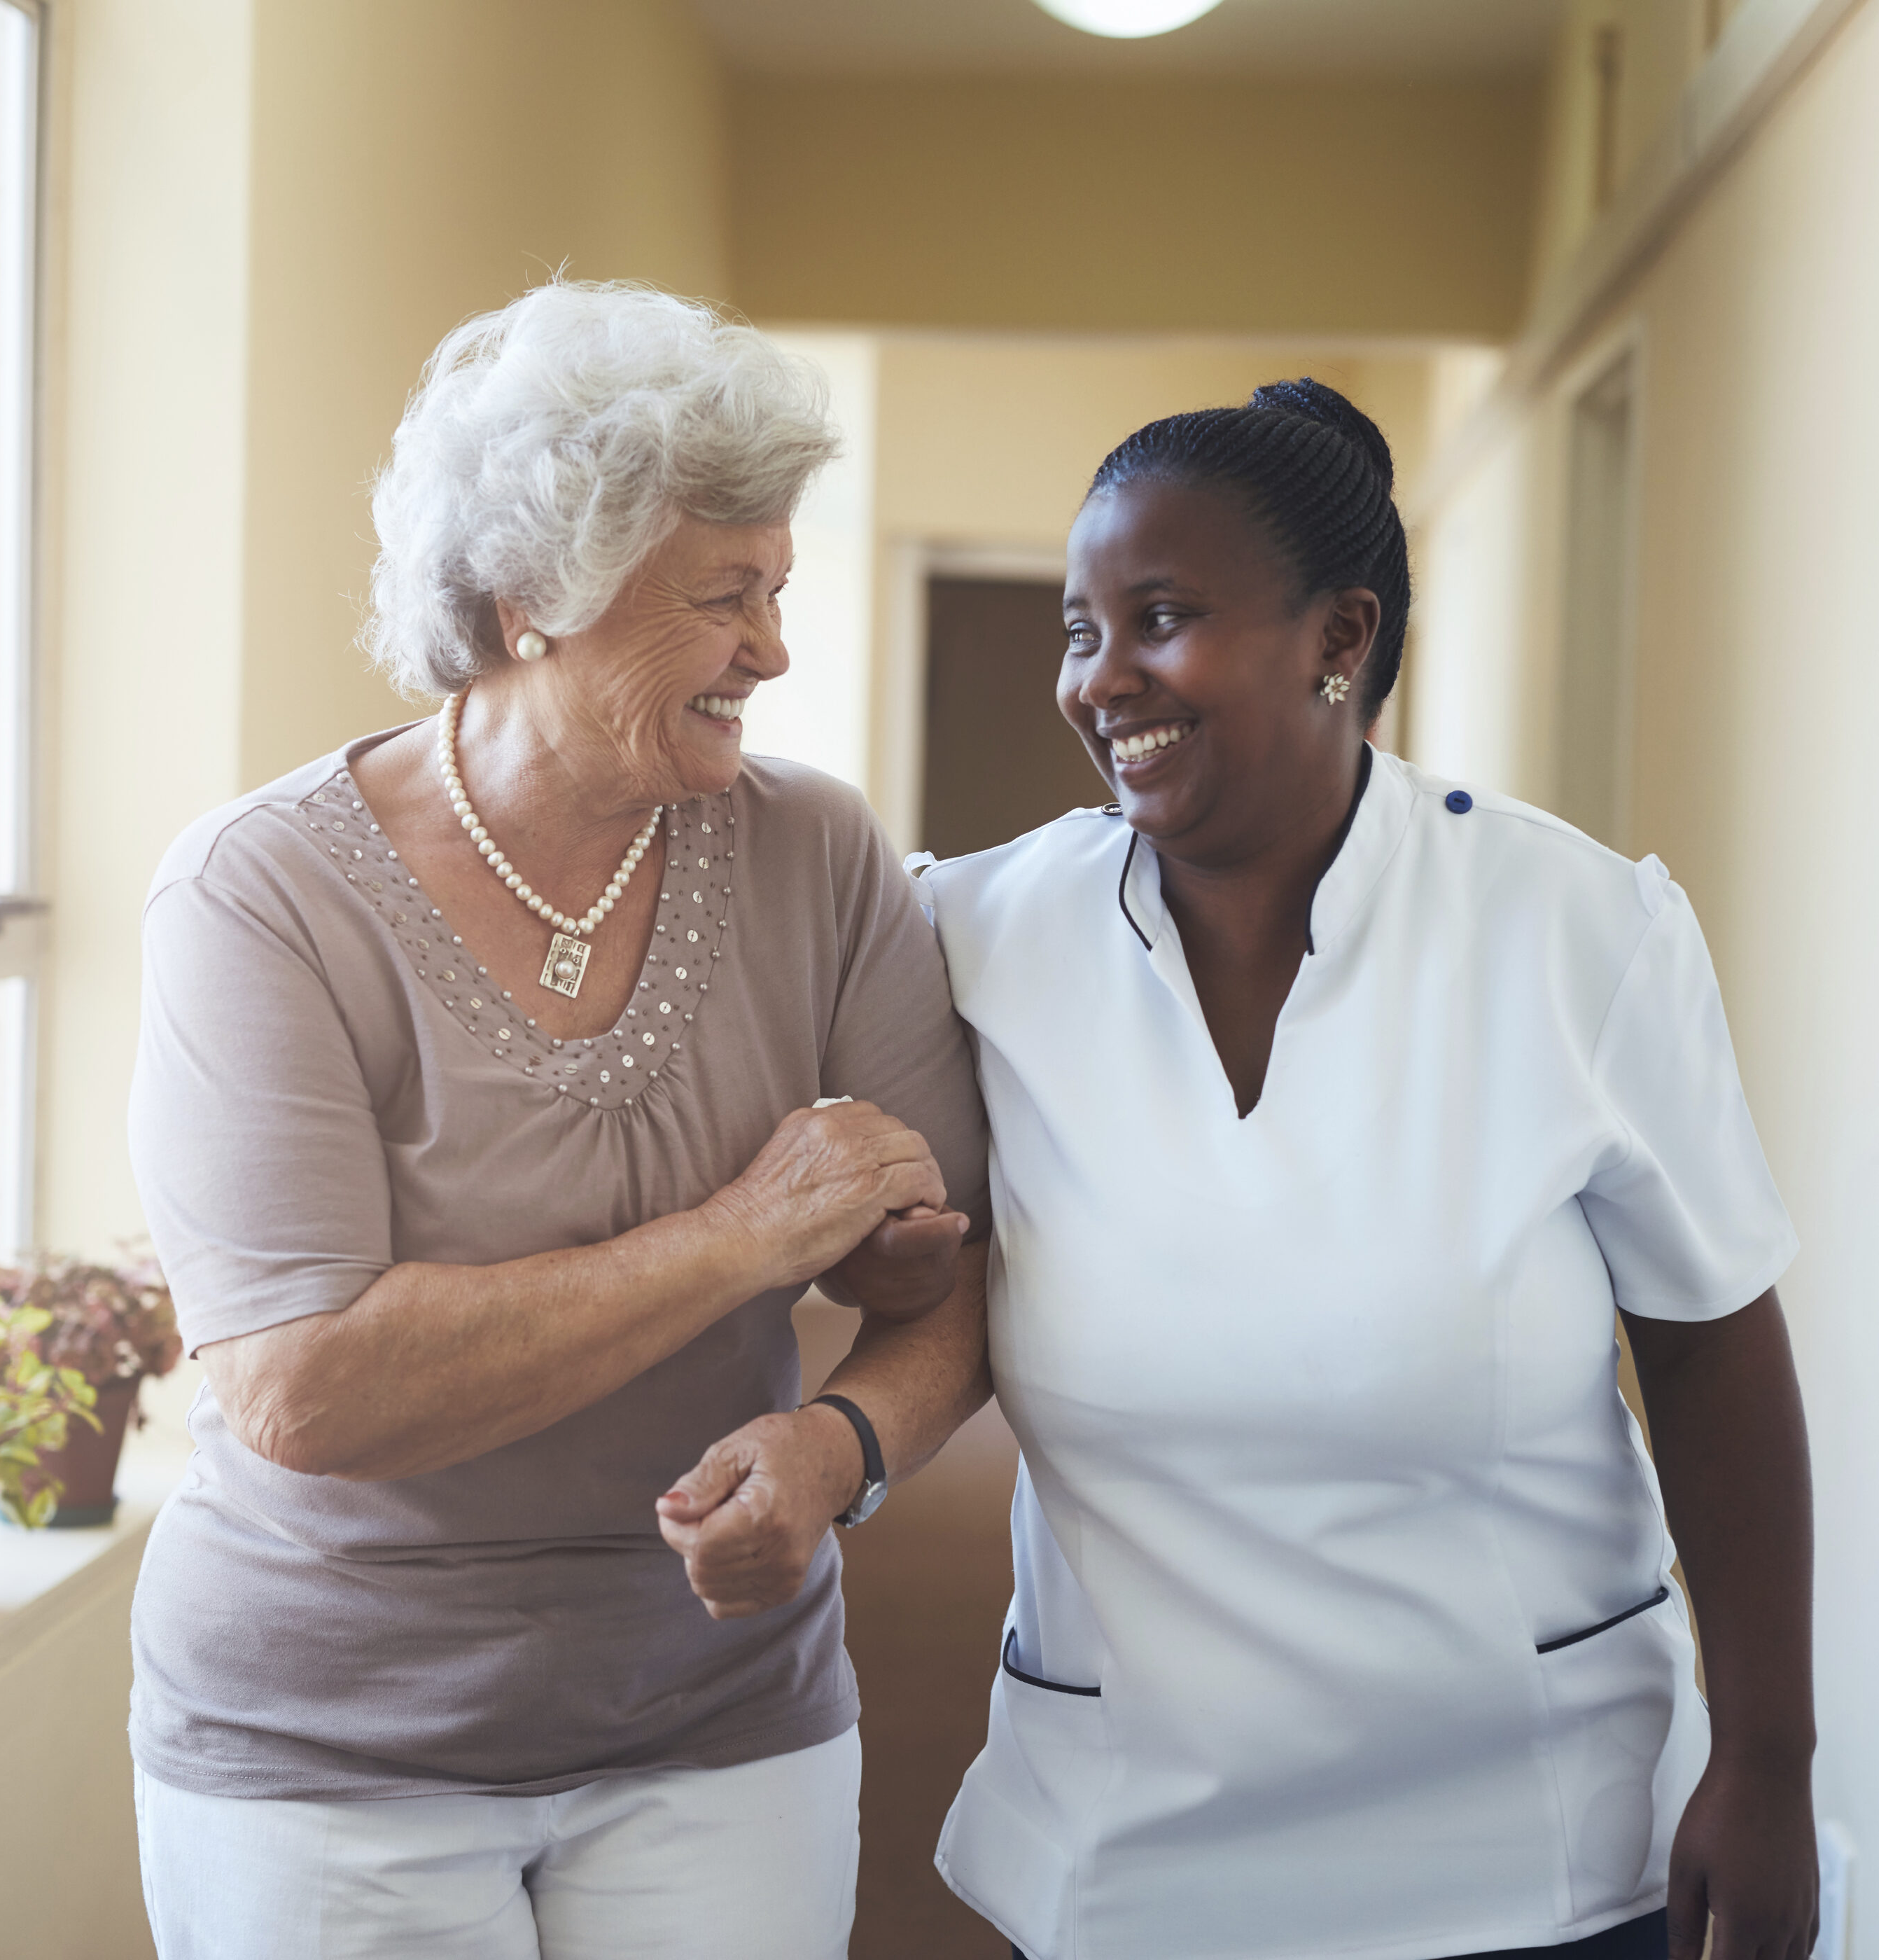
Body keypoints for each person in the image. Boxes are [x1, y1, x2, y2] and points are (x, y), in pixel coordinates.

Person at [676, 380, 1816, 1960]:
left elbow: (1709, 1346)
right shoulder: (975, 933)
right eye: (1080, 629)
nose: (1100, 679)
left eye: (1160, 617)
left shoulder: (1574, 932)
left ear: (1337, 637)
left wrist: (1766, 1757)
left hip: (1535, 1841)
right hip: (1131, 1850)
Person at [124, 281, 989, 1960]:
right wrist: (746, 1235)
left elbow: (946, 1280)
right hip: (325, 1751)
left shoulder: (816, 853)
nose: (776, 650)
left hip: (722, 1714)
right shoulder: (261, 893)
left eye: (781, 589)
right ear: (533, 597)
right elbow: (306, 1384)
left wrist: (842, 1440)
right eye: (725, 596)